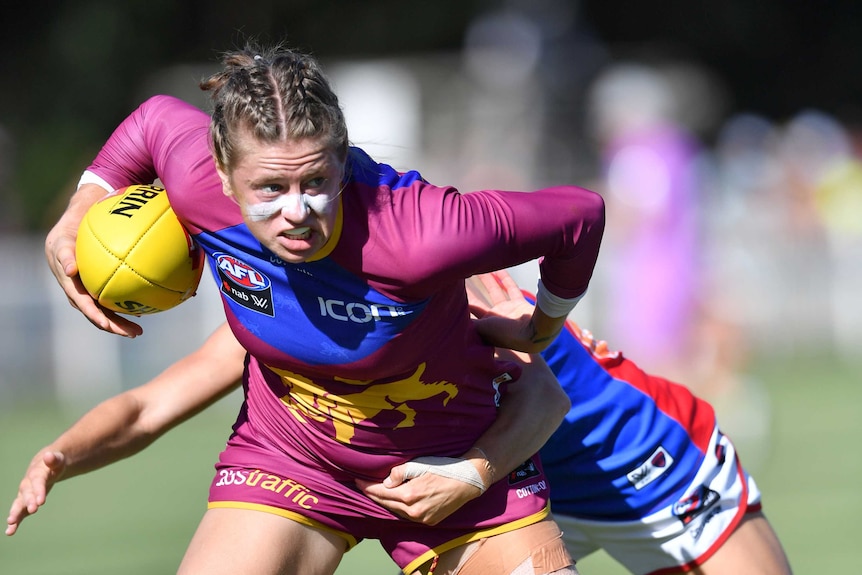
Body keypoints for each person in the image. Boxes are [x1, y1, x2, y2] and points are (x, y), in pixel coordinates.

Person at [38, 42, 605, 575]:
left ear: (342, 161)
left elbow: (579, 215)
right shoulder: (193, 184)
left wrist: (538, 329)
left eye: (316, 180)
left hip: (454, 457)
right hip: (294, 459)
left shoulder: (420, 232)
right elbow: (154, 117)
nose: (296, 211)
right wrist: (82, 205)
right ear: (221, 175)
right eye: (268, 188)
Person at [9, 271, 793, 575]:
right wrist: (60, 454)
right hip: (501, 495)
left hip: (637, 467)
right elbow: (150, 403)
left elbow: (547, 398)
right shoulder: (283, 299)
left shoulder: (436, 287)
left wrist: (467, 473)